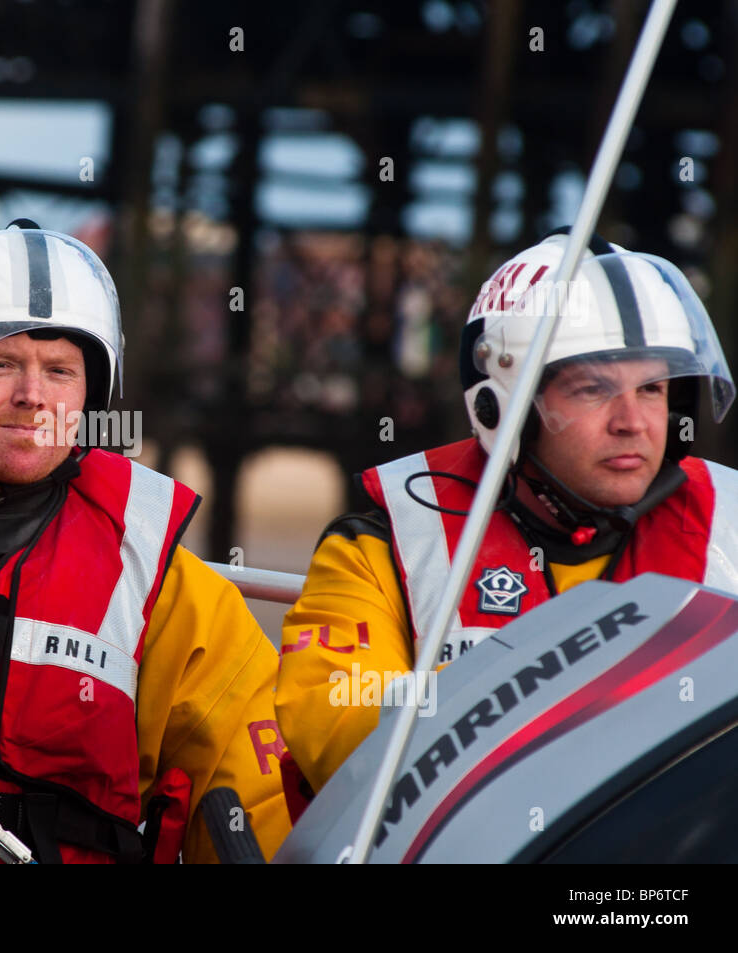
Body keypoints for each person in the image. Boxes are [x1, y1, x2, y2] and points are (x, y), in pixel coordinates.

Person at [0, 221, 291, 863]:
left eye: (60, 370)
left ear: (94, 394)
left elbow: (256, 790)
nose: (32, 397)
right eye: (0, 363)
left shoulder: (152, 573)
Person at [275, 231, 738, 796]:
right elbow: (339, 731)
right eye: (594, 389)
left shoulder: (729, 522)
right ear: (502, 406)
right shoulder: (389, 541)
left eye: (653, 389)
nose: (633, 422)